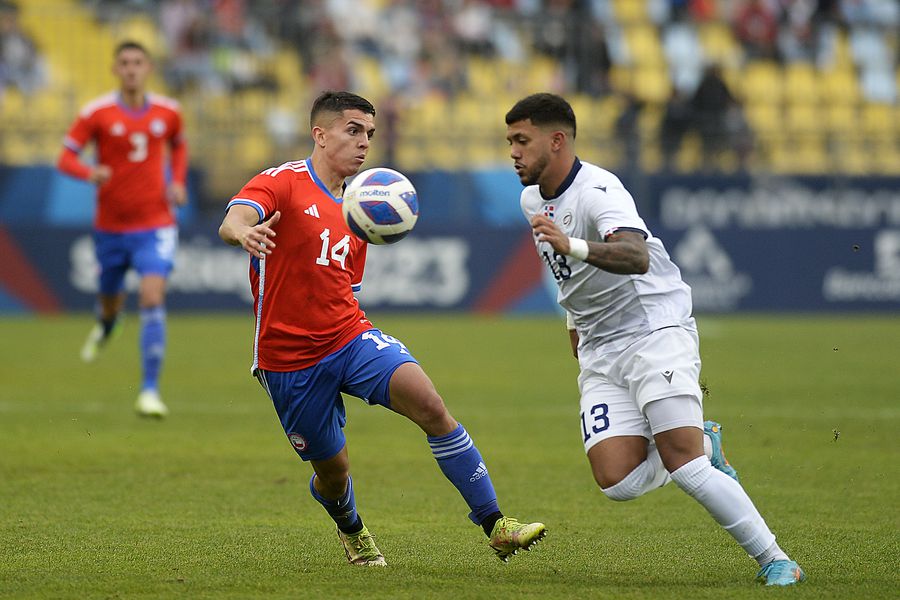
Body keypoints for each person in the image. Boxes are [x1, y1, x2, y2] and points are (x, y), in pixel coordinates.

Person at [218, 91, 545, 567]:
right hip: (289, 360)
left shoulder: (362, 204)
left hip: (350, 337)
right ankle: (351, 527)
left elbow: (347, 284)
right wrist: (244, 233)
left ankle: (496, 523)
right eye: (353, 130)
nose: (364, 142)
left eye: (370, 133)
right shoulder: (282, 183)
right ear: (321, 133)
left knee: (432, 406)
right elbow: (235, 218)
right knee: (333, 473)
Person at [503, 93, 806, 586]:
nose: (513, 152)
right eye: (509, 141)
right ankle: (701, 440)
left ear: (556, 140)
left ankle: (775, 560)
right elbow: (565, 273)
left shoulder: (601, 190)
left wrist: (572, 244)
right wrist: (573, 324)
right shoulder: (531, 198)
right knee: (616, 481)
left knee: (684, 466)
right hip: (600, 346)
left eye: (522, 140)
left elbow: (635, 256)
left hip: (652, 330)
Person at [57, 41, 188, 418]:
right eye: (125, 63)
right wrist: (89, 172)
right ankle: (108, 322)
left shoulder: (169, 112)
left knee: (151, 296)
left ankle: (149, 390)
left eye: (138, 63)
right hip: (111, 227)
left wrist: (177, 182)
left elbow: (179, 146)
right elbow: (65, 156)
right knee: (110, 301)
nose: (131, 69)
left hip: (155, 223)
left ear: (148, 68)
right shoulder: (96, 113)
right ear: (115, 69)